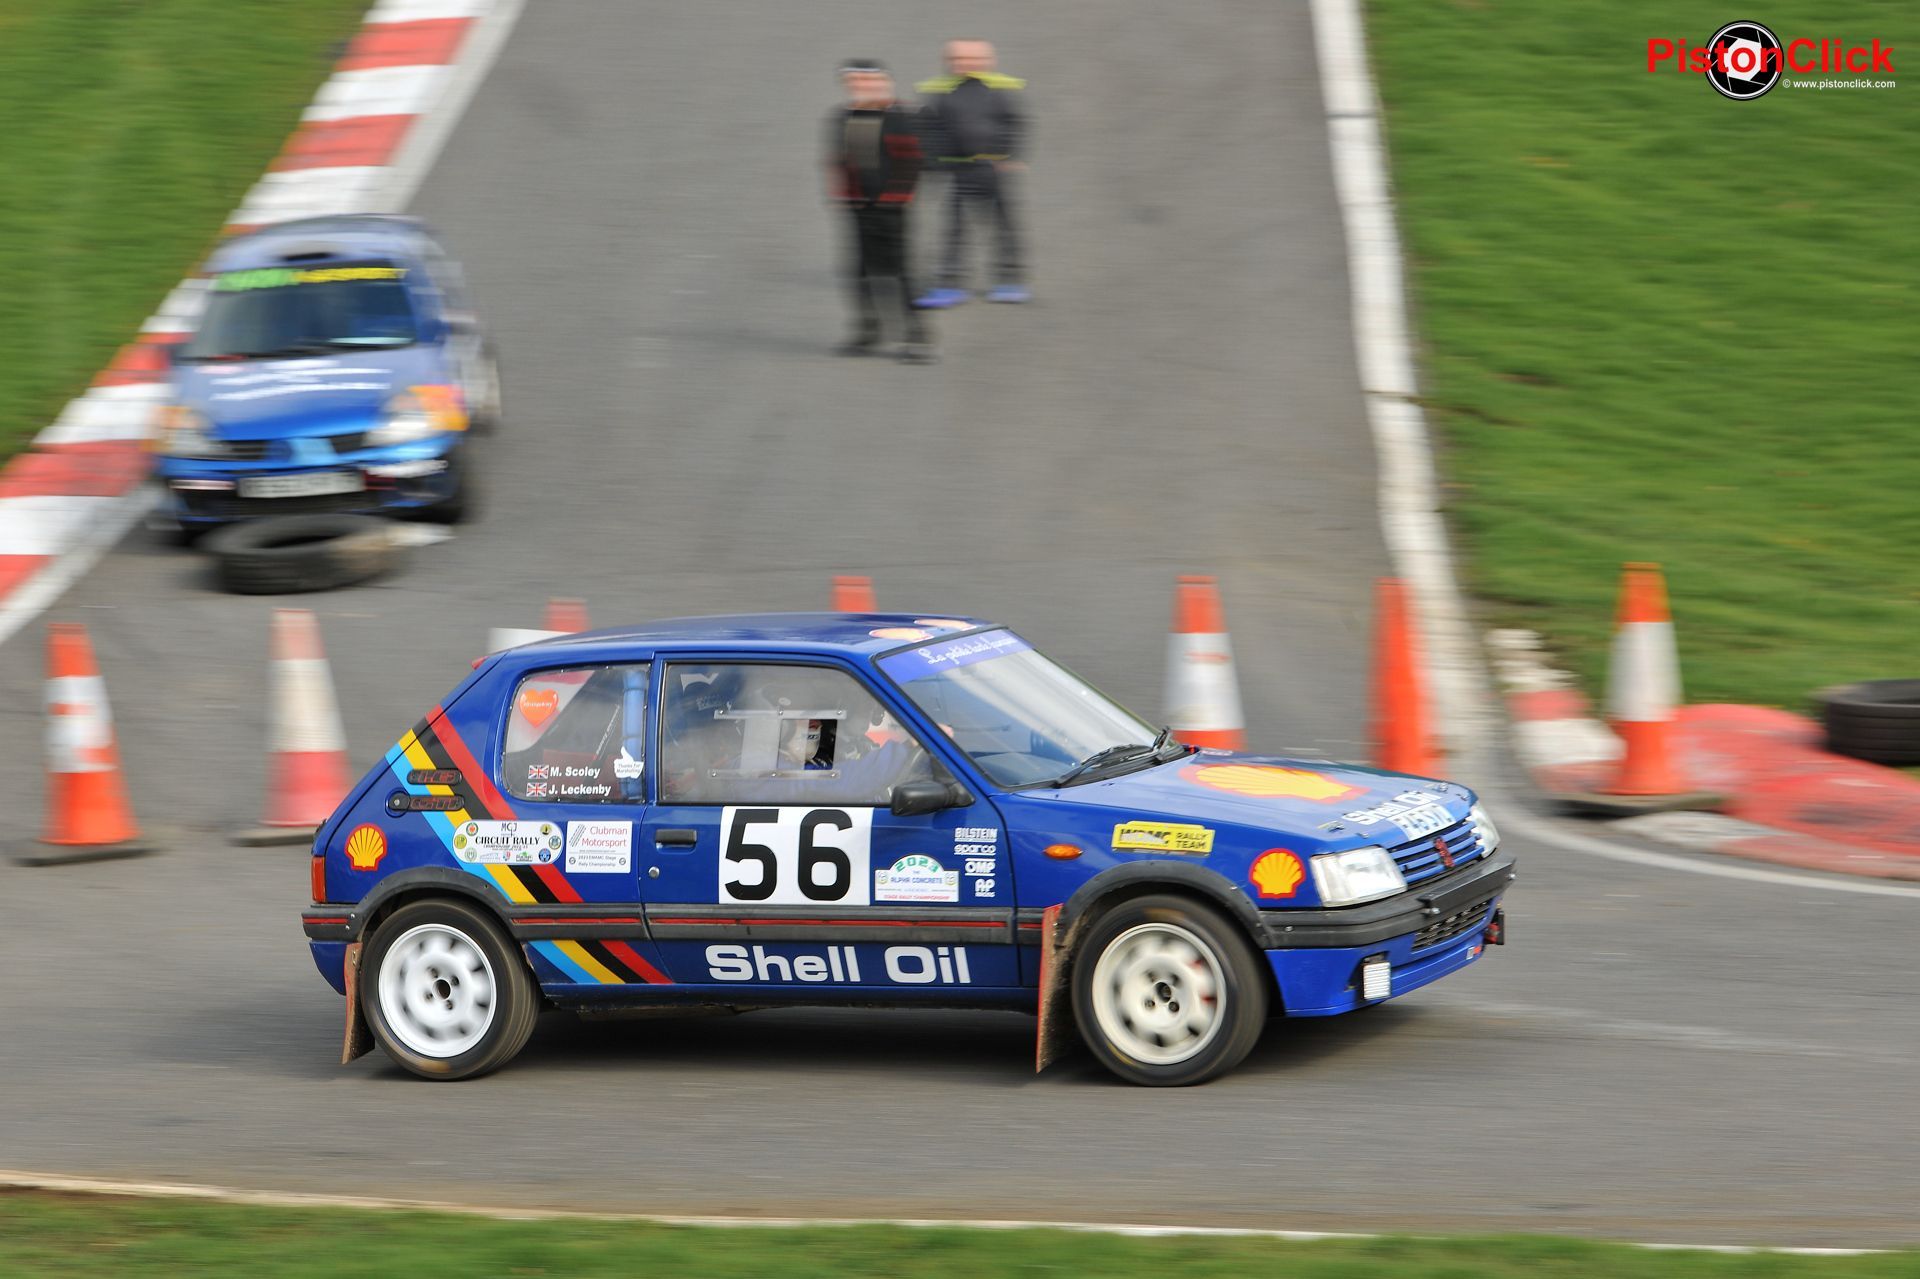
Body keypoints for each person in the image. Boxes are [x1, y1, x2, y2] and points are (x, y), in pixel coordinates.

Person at [824, 59, 935, 363]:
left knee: (899, 272)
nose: (862, 87)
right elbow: (837, 159)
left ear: (886, 83)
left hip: (891, 208)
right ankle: (868, 331)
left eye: (869, 81)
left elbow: (911, 160)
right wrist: (844, 196)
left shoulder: (901, 116)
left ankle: (918, 337)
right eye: (855, 82)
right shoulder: (842, 116)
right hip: (859, 206)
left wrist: (895, 198)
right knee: (859, 271)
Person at [915, 40, 1029, 309]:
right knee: (954, 228)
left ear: (989, 62)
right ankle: (949, 281)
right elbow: (929, 129)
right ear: (949, 63)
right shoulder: (942, 94)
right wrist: (933, 162)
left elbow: (1014, 123)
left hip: (991, 169)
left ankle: (1009, 278)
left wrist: (1008, 154)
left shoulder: (999, 92)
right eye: (959, 59)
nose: (966, 64)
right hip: (958, 171)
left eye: (974, 59)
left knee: (1004, 226)